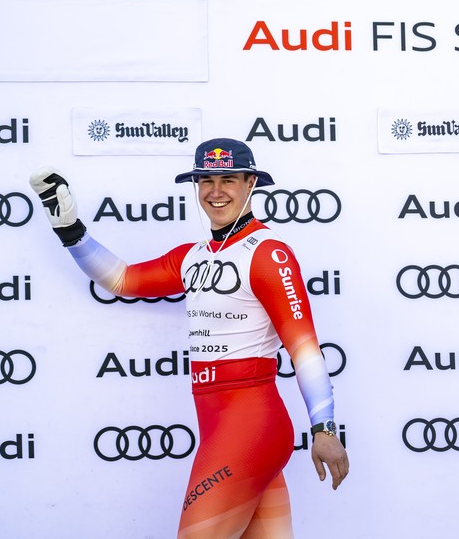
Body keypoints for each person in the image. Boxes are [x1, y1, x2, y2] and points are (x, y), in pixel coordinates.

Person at [29, 138, 349, 538]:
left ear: (251, 183)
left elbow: (305, 349)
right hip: (223, 424)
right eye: (205, 180)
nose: (216, 192)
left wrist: (324, 429)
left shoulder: (268, 254)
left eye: (228, 180)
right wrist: (71, 231)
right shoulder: (192, 256)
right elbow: (123, 280)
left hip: (251, 425)